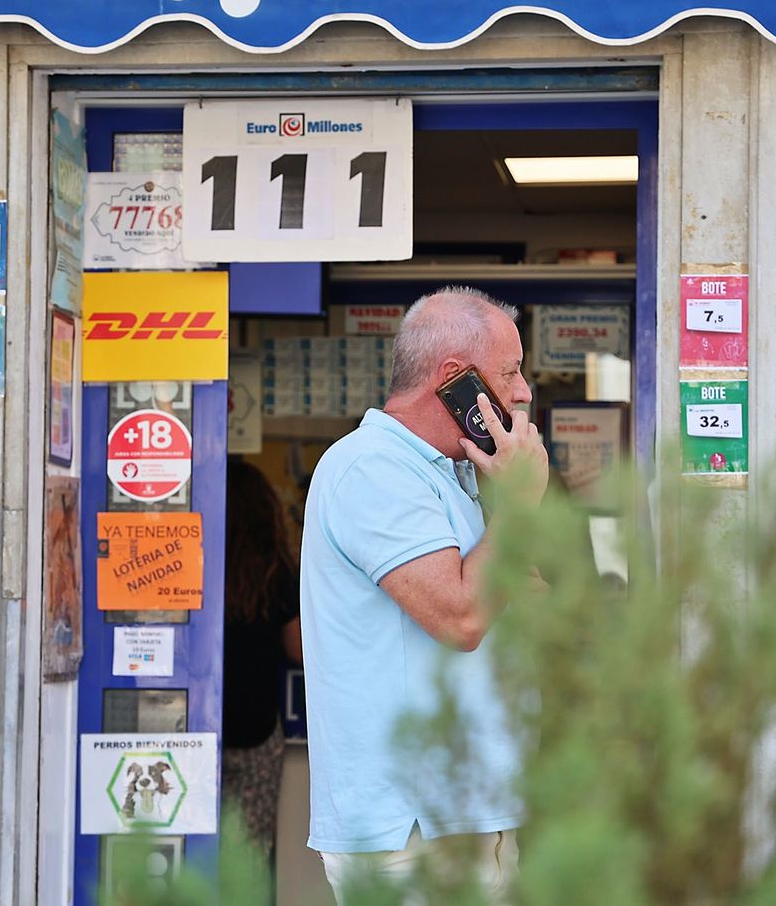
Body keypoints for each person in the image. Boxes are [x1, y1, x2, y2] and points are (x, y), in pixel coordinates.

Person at [300, 286, 549, 904]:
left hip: (465, 815)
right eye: (510, 372)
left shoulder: (452, 474)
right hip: (411, 831)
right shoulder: (372, 468)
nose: (523, 392)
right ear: (455, 379)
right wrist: (519, 507)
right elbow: (462, 617)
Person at [221, 459, 302, 878]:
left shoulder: (195, 562)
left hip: (195, 728)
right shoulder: (275, 570)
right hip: (254, 728)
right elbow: (299, 648)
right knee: (249, 857)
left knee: (192, 840)